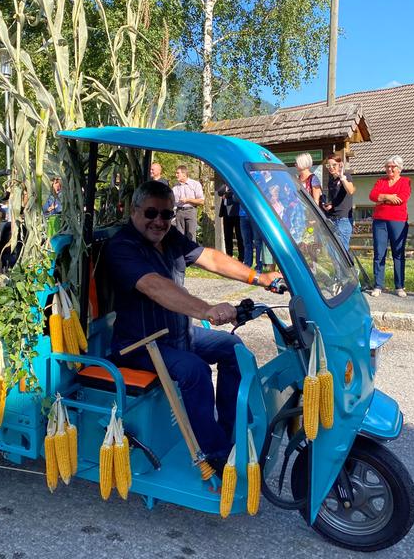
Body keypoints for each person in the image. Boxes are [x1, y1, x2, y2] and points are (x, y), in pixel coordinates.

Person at [106, 180, 282, 463]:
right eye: (151, 213)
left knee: (232, 347)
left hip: (177, 334)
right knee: (195, 370)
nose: (159, 221)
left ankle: (230, 428)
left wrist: (258, 279)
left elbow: (209, 258)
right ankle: (217, 454)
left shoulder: (169, 236)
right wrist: (207, 310)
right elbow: (154, 285)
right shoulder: (122, 247)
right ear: (134, 211)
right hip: (139, 345)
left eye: (166, 214)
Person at [368, 155, 411, 297]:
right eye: (387, 166)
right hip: (379, 221)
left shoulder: (406, 181)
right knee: (379, 253)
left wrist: (382, 199)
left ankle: (399, 286)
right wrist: (388, 197)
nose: (390, 169)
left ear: (399, 168)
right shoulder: (381, 181)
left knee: (398, 253)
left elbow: (402, 199)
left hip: (398, 221)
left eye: (393, 166)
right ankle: (378, 285)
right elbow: (373, 196)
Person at [321, 153, 355, 252]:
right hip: (332, 218)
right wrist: (329, 205)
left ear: (340, 164)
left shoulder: (346, 176)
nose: (331, 168)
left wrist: (342, 178)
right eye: (329, 165)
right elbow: (335, 199)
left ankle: (348, 268)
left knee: (342, 251)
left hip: (343, 219)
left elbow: (351, 190)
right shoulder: (331, 180)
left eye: (334, 165)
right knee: (332, 251)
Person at [172, 165, 204, 241]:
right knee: (179, 237)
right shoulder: (175, 187)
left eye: (177, 173)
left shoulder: (195, 184)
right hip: (179, 212)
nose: (176, 175)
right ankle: (181, 253)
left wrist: (188, 200)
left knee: (191, 237)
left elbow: (201, 201)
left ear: (184, 174)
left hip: (191, 211)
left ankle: (192, 252)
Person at [217, 184, 244, 261]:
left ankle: (241, 257)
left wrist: (227, 194)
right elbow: (219, 192)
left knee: (240, 236)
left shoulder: (237, 184)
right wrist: (226, 186)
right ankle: (229, 256)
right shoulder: (226, 185)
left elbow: (236, 193)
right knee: (227, 235)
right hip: (226, 213)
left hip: (237, 213)